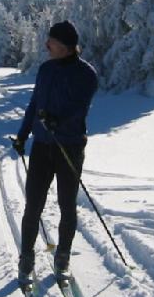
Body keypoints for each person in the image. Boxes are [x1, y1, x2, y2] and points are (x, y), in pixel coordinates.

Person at [11, 20, 98, 282]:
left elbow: (81, 108)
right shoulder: (46, 69)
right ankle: (26, 258)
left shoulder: (86, 74)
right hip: (41, 148)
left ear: (67, 47)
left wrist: (58, 121)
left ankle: (63, 257)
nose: (47, 45)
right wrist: (23, 134)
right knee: (33, 205)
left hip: (69, 147)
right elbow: (34, 103)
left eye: (53, 42)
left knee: (67, 205)